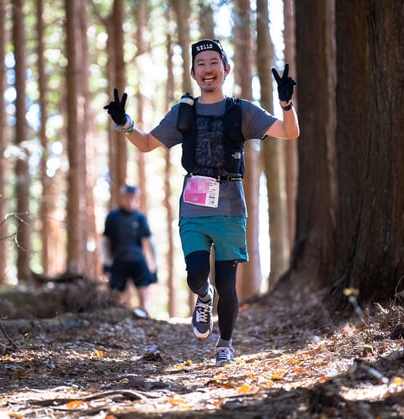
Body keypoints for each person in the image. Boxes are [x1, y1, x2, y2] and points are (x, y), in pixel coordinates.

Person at [104, 39, 299, 366]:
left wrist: (286, 103)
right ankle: (202, 296)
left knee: (227, 282)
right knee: (197, 273)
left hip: (231, 210)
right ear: (193, 73)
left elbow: (289, 133)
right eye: (201, 64)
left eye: (213, 63)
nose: (208, 70)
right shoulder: (185, 113)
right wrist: (126, 125)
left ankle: (225, 344)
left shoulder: (242, 111)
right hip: (193, 209)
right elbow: (148, 143)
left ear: (226, 69)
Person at [102, 184, 158, 316]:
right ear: (122, 198)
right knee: (118, 295)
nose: (130, 201)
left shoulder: (140, 218)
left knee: (143, 290)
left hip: (138, 259)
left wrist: (154, 267)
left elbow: (150, 243)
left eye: (133, 198)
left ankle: (146, 316)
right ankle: (120, 317)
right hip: (118, 260)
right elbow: (105, 242)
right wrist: (106, 264)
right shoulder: (113, 217)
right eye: (127, 198)